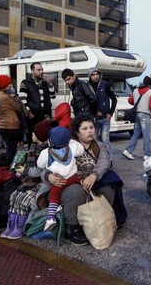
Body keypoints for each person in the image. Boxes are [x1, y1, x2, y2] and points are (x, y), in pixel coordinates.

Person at [36, 113, 127, 246]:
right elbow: (44, 166)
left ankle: (101, 221)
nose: (90, 131)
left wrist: (94, 175)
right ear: (77, 132)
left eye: (91, 127)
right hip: (64, 187)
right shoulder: (66, 145)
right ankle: (72, 228)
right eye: (85, 128)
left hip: (90, 182)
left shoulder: (99, 146)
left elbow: (105, 162)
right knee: (77, 191)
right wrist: (49, 176)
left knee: (109, 186)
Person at [38, 126, 84, 231]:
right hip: (73, 178)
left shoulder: (46, 153)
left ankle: (50, 218)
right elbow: (81, 150)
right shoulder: (72, 147)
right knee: (83, 184)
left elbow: (40, 165)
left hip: (58, 181)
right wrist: (70, 141)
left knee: (54, 196)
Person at [0, 75, 30, 161]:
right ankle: (7, 169)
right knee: (11, 150)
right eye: (8, 84)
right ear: (3, 85)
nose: (10, 85)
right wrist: (15, 98)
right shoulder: (5, 97)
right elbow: (18, 108)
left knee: (9, 148)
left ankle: (6, 167)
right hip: (11, 126)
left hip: (2, 125)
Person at [19, 63, 56, 143]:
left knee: (45, 137)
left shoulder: (45, 83)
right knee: (32, 139)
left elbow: (53, 95)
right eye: (38, 70)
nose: (41, 72)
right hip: (33, 116)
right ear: (32, 71)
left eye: (42, 69)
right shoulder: (26, 83)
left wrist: (50, 83)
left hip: (45, 116)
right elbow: (22, 99)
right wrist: (28, 112)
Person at [122, 76, 151, 160]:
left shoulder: (136, 90)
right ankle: (147, 154)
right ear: (150, 84)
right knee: (146, 135)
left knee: (136, 133)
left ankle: (128, 151)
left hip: (136, 114)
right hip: (145, 114)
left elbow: (130, 101)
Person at [88, 67, 117, 153]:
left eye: (97, 74)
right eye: (93, 75)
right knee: (94, 140)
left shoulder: (105, 84)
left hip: (105, 118)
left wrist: (110, 113)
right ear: (89, 76)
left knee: (105, 140)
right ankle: (97, 159)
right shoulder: (87, 86)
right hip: (93, 119)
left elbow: (114, 99)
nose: (96, 76)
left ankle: (109, 160)